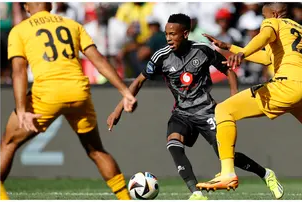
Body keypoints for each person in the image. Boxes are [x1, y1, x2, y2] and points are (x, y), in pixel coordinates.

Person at [107, 13, 283, 200]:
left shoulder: (202, 50)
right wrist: (118, 109)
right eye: (167, 34)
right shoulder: (161, 56)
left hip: (207, 111)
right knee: (173, 145)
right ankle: (196, 194)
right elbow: (139, 81)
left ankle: (265, 174)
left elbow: (229, 71)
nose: (168, 38)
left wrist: (233, 101)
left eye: (173, 34)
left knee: (226, 156)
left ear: (185, 34)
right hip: (182, 113)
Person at [196, 3, 302, 192]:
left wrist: (243, 53)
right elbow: (268, 58)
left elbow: (264, 36)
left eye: (265, 17)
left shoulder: (273, 23)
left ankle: (228, 173)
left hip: (288, 85)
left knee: (223, 110)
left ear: (274, 14)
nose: (265, 21)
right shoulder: (301, 30)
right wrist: (231, 47)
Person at [0, 2, 137, 200]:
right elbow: (98, 60)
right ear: (51, 5)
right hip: (79, 92)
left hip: (47, 95)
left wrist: (21, 109)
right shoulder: (72, 25)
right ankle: (125, 198)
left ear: (27, 8)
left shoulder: (20, 29)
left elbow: (19, 71)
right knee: (96, 150)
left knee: (8, 142)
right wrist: (125, 91)